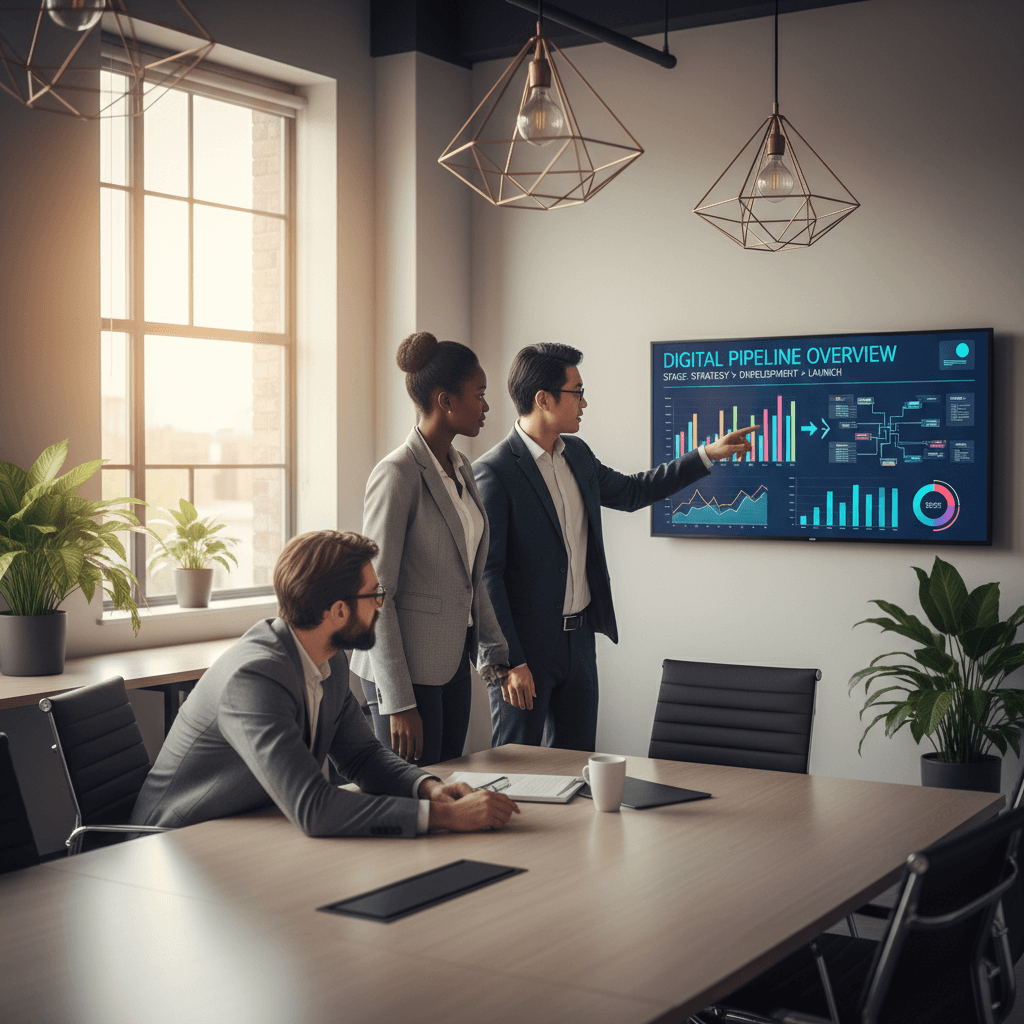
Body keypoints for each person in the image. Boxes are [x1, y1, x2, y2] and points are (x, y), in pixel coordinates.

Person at [129, 530, 518, 837]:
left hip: (246, 833)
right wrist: (443, 817)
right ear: (338, 611)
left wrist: (429, 789)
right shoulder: (254, 678)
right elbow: (312, 807)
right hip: (171, 846)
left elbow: (362, 756)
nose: (380, 605)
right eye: (375, 595)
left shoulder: (328, 658)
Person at [473, 343, 757, 751]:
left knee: (576, 761)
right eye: (577, 392)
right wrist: (510, 660)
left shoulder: (577, 455)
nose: (584, 403)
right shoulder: (494, 472)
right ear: (543, 399)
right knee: (520, 764)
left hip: (579, 644)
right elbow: (488, 577)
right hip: (525, 653)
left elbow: (632, 491)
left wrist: (705, 456)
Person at [351, 332, 510, 767]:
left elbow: (469, 576)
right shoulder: (397, 474)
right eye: (479, 394)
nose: (486, 406)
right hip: (404, 674)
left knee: (449, 784)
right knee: (415, 792)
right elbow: (376, 593)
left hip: (452, 662)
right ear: (446, 401)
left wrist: (495, 652)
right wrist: (398, 701)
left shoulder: (462, 467)